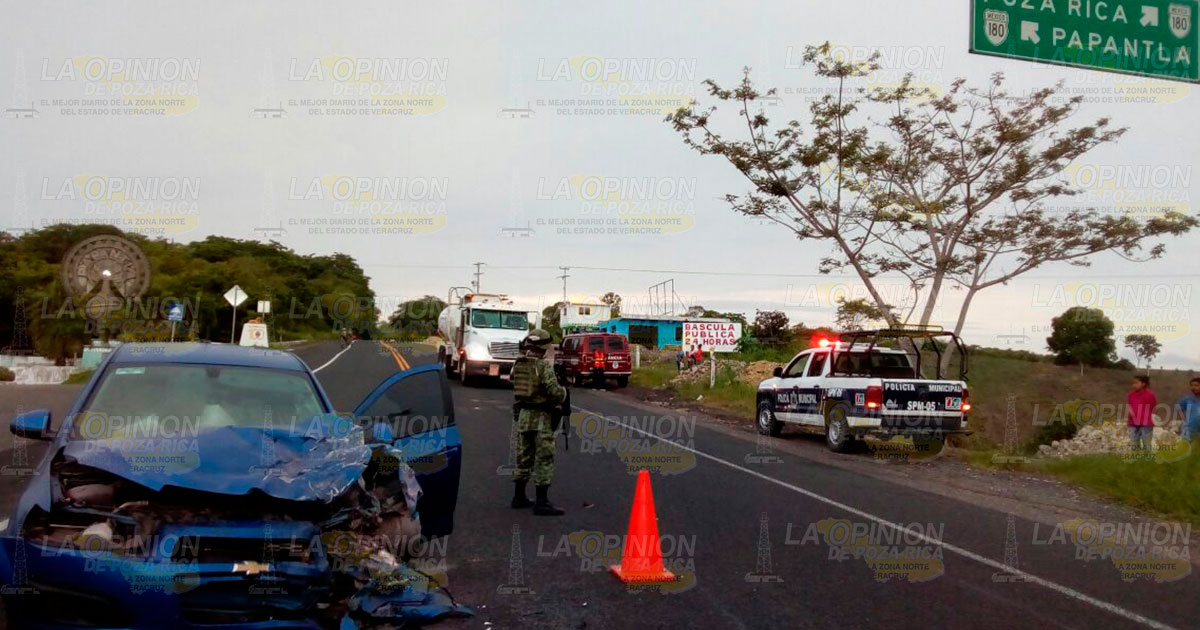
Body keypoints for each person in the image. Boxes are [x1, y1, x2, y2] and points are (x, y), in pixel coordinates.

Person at [510, 328, 569, 516]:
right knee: (544, 458)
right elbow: (556, 393)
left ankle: (519, 497)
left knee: (523, 457)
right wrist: (564, 390)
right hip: (542, 417)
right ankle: (542, 502)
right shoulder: (542, 366)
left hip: (524, 415)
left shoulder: (518, 363)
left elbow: (514, 381)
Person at [1127, 375, 1157, 453]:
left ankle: (1147, 461)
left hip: (1146, 423)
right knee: (1134, 445)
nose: (1134, 385)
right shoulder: (1131, 394)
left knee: (1146, 445)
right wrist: (1130, 413)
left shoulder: (1150, 395)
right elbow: (1129, 405)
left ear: (1143, 384)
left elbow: (1153, 406)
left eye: (1136, 383)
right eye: (1133, 383)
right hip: (1132, 423)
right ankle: (1136, 462)